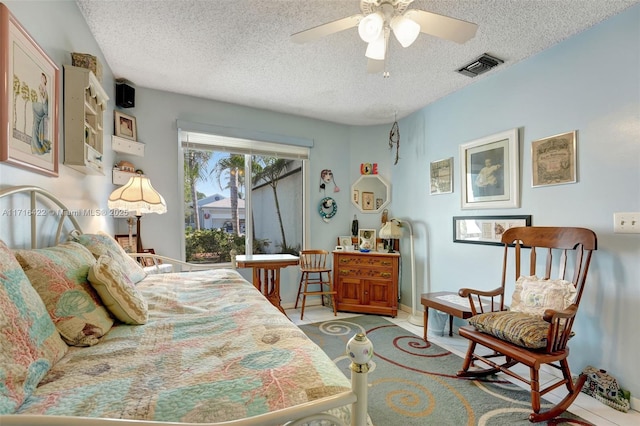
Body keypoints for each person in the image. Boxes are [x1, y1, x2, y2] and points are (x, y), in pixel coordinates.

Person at [31, 73, 52, 155]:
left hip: (44, 109)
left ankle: (39, 147)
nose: (42, 79)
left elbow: (44, 101)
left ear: (46, 80)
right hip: (42, 109)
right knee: (35, 128)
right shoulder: (41, 87)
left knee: (36, 127)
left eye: (43, 78)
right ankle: (37, 147)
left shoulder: (45, 89)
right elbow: (42, 99)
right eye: (41, 78)